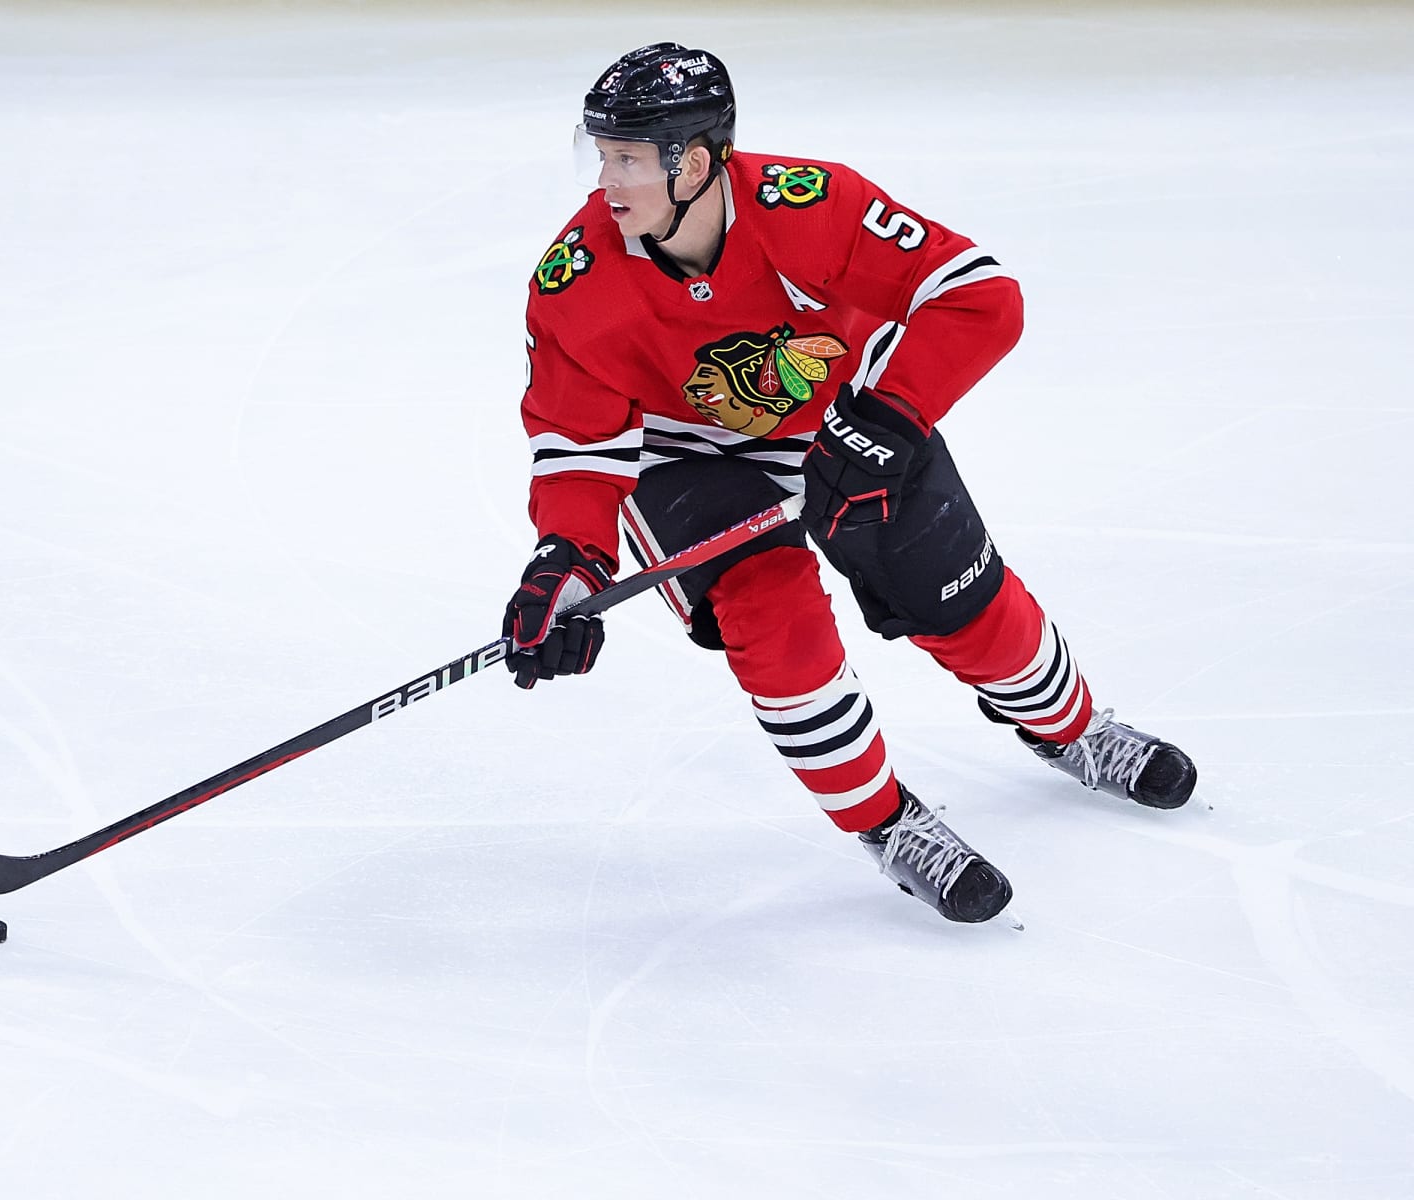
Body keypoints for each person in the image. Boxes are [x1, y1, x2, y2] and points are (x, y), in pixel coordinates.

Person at [502, 43, 1197, 925]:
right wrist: (567, 558)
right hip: (693, 461)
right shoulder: (575, 283)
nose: (606, 181)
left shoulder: (812, 205)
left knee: (960, 600)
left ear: (699, 161)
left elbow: (979, 295)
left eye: (629, 158)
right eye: (599, 155)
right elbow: (577, 446)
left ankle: (1075, 732)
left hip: (854, 426)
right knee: (774, 623)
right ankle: (889, 825)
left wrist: (891, 418)